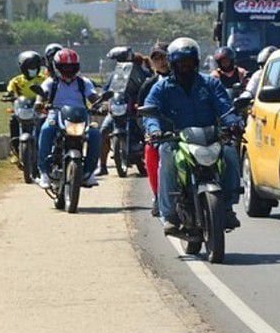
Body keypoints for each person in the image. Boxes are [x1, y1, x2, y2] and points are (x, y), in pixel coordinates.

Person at [143, 38, 243, 235]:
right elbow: (150, 111)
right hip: (176, 139)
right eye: (181, 63)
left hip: (210, 137)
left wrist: (233, 123)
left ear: (196, 62)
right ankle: (169, 214)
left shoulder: (210, 83)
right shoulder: (162, 88)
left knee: (230, 152)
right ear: (173, 64)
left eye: (189, 62)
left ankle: (228, 207)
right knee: (166, 155)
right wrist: (154, 130)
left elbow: (225, 107)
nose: (185, 67)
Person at [35, 48, 103, 190]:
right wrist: (39, 103)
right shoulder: (51, 82)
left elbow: (93, 96)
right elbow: (42, 94)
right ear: (57, 67)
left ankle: (89, 172)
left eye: (71, 67)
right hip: (56, 114)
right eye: (64, 67)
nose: (68, 70)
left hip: (80, 116)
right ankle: (44, 172)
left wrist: (102, 105)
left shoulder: (83, 82)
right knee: (46, 129)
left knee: (95, 134)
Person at [98, 50, 150, 176]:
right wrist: (104, 102)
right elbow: (106, 90)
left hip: (134, 110)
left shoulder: (140, 72)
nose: (120, 63)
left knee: (147, 132)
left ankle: (149, 162)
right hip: (117, 109)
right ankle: (103, 166)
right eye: (118, 61)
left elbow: (147, 87)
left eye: (121, 60)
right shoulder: (114, 75)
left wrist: (141, 102)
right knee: (103, 131)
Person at [137, 41, 171, 217]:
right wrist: (150, 132)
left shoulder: (188, 79)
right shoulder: (149, 85)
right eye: (157, 58)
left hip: (188, 129)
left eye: (164, 57)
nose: (161, 62)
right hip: (160, 134)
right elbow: (141, 113)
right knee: (150, 151)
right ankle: (158, 196)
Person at [6, 50, 47, 153]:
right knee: (13, 120)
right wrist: (9, 95)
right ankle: (15, 147)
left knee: (47, 122)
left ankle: (46, 147)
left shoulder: (44, 79)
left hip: (39, 109)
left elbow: (50, 89)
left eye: (35, 66)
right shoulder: (16, 81)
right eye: (30, 66)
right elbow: (10, 91)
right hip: (22, 108)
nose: (33, 69)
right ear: (23, 67)